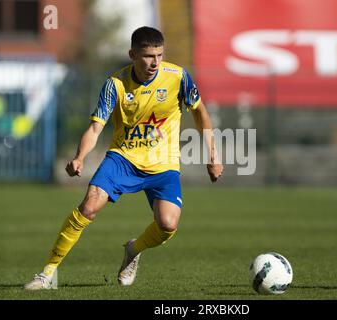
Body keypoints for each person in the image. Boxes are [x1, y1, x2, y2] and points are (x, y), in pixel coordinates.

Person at [24, 26, 223, 290]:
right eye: (148, 56)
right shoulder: (115, 84)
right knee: (89, 206)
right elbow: (96, 127)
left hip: (163, 164)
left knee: (167, 225)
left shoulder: (178, 77)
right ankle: (47, 274)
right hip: (123, 158)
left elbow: (200, 112)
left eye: (159, 55)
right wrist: (80, 156)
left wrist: (212, 153)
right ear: (132, 54)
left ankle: (133, 250)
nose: (154, 62)